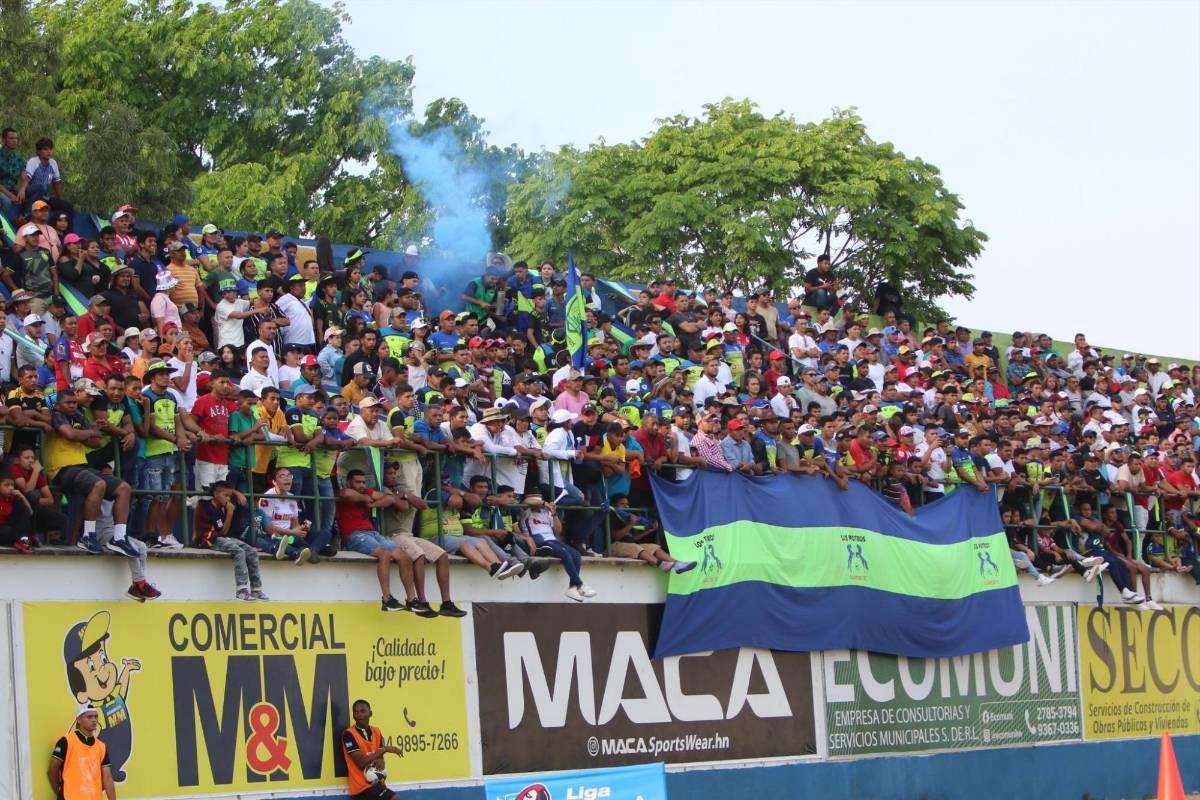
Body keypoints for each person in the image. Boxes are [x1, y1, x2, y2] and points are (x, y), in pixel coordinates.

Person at [336, 469, 419, 612]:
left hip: (372, 533)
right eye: (358, 482)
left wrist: (372, 504)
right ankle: (387, 599)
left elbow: (391, 498)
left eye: (364, 482)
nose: (362, 485)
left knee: (404, 556)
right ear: (349, 482)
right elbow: (346, 494)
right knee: (384, 554)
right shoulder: (343, 492)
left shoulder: (367, 493)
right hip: (354, 535)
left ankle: (412, 600)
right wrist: (365, 498)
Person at [194, 481, 269, 601]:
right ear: (216, 494)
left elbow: (225, 533)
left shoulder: (223, 507)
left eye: (229, 496)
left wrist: (229, 509)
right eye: (225, 496)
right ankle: (242, 590)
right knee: (239, 551)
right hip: (209, 539)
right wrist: (229, 513)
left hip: (222, 537)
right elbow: (223, 532)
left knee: (251, 551)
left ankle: (256, 589)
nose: (228, 499)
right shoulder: (208, 506)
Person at [517, 490, 595, 601]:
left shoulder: (546, 513)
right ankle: (579, 584)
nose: (539, 504)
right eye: (538, 501)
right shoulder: (526, 512)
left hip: (552, 540)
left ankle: (572, 587)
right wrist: (544, 503)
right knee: (565, 554)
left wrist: (553, 513)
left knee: (576, 555)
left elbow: (558, 530)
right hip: (539, 541)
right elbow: (527, 500)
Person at [48, 707, 117, 800]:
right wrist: (60, 792)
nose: (94, 720)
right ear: (79, 719)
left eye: (96, 717)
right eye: (89, 717)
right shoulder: (67, 741)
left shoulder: (101, 746)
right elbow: (52, 769)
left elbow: (107, 778)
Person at [342, 699, 403, 800]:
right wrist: (385, 749)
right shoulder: (349, 734)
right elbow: (361, 763)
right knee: (394, 798)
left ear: (370, 713)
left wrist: (381, 761)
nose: (359, 714)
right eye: (356, 712)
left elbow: (380, 759)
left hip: (377, 785)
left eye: (362, 711)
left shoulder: (376, 731)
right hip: (361, 788)